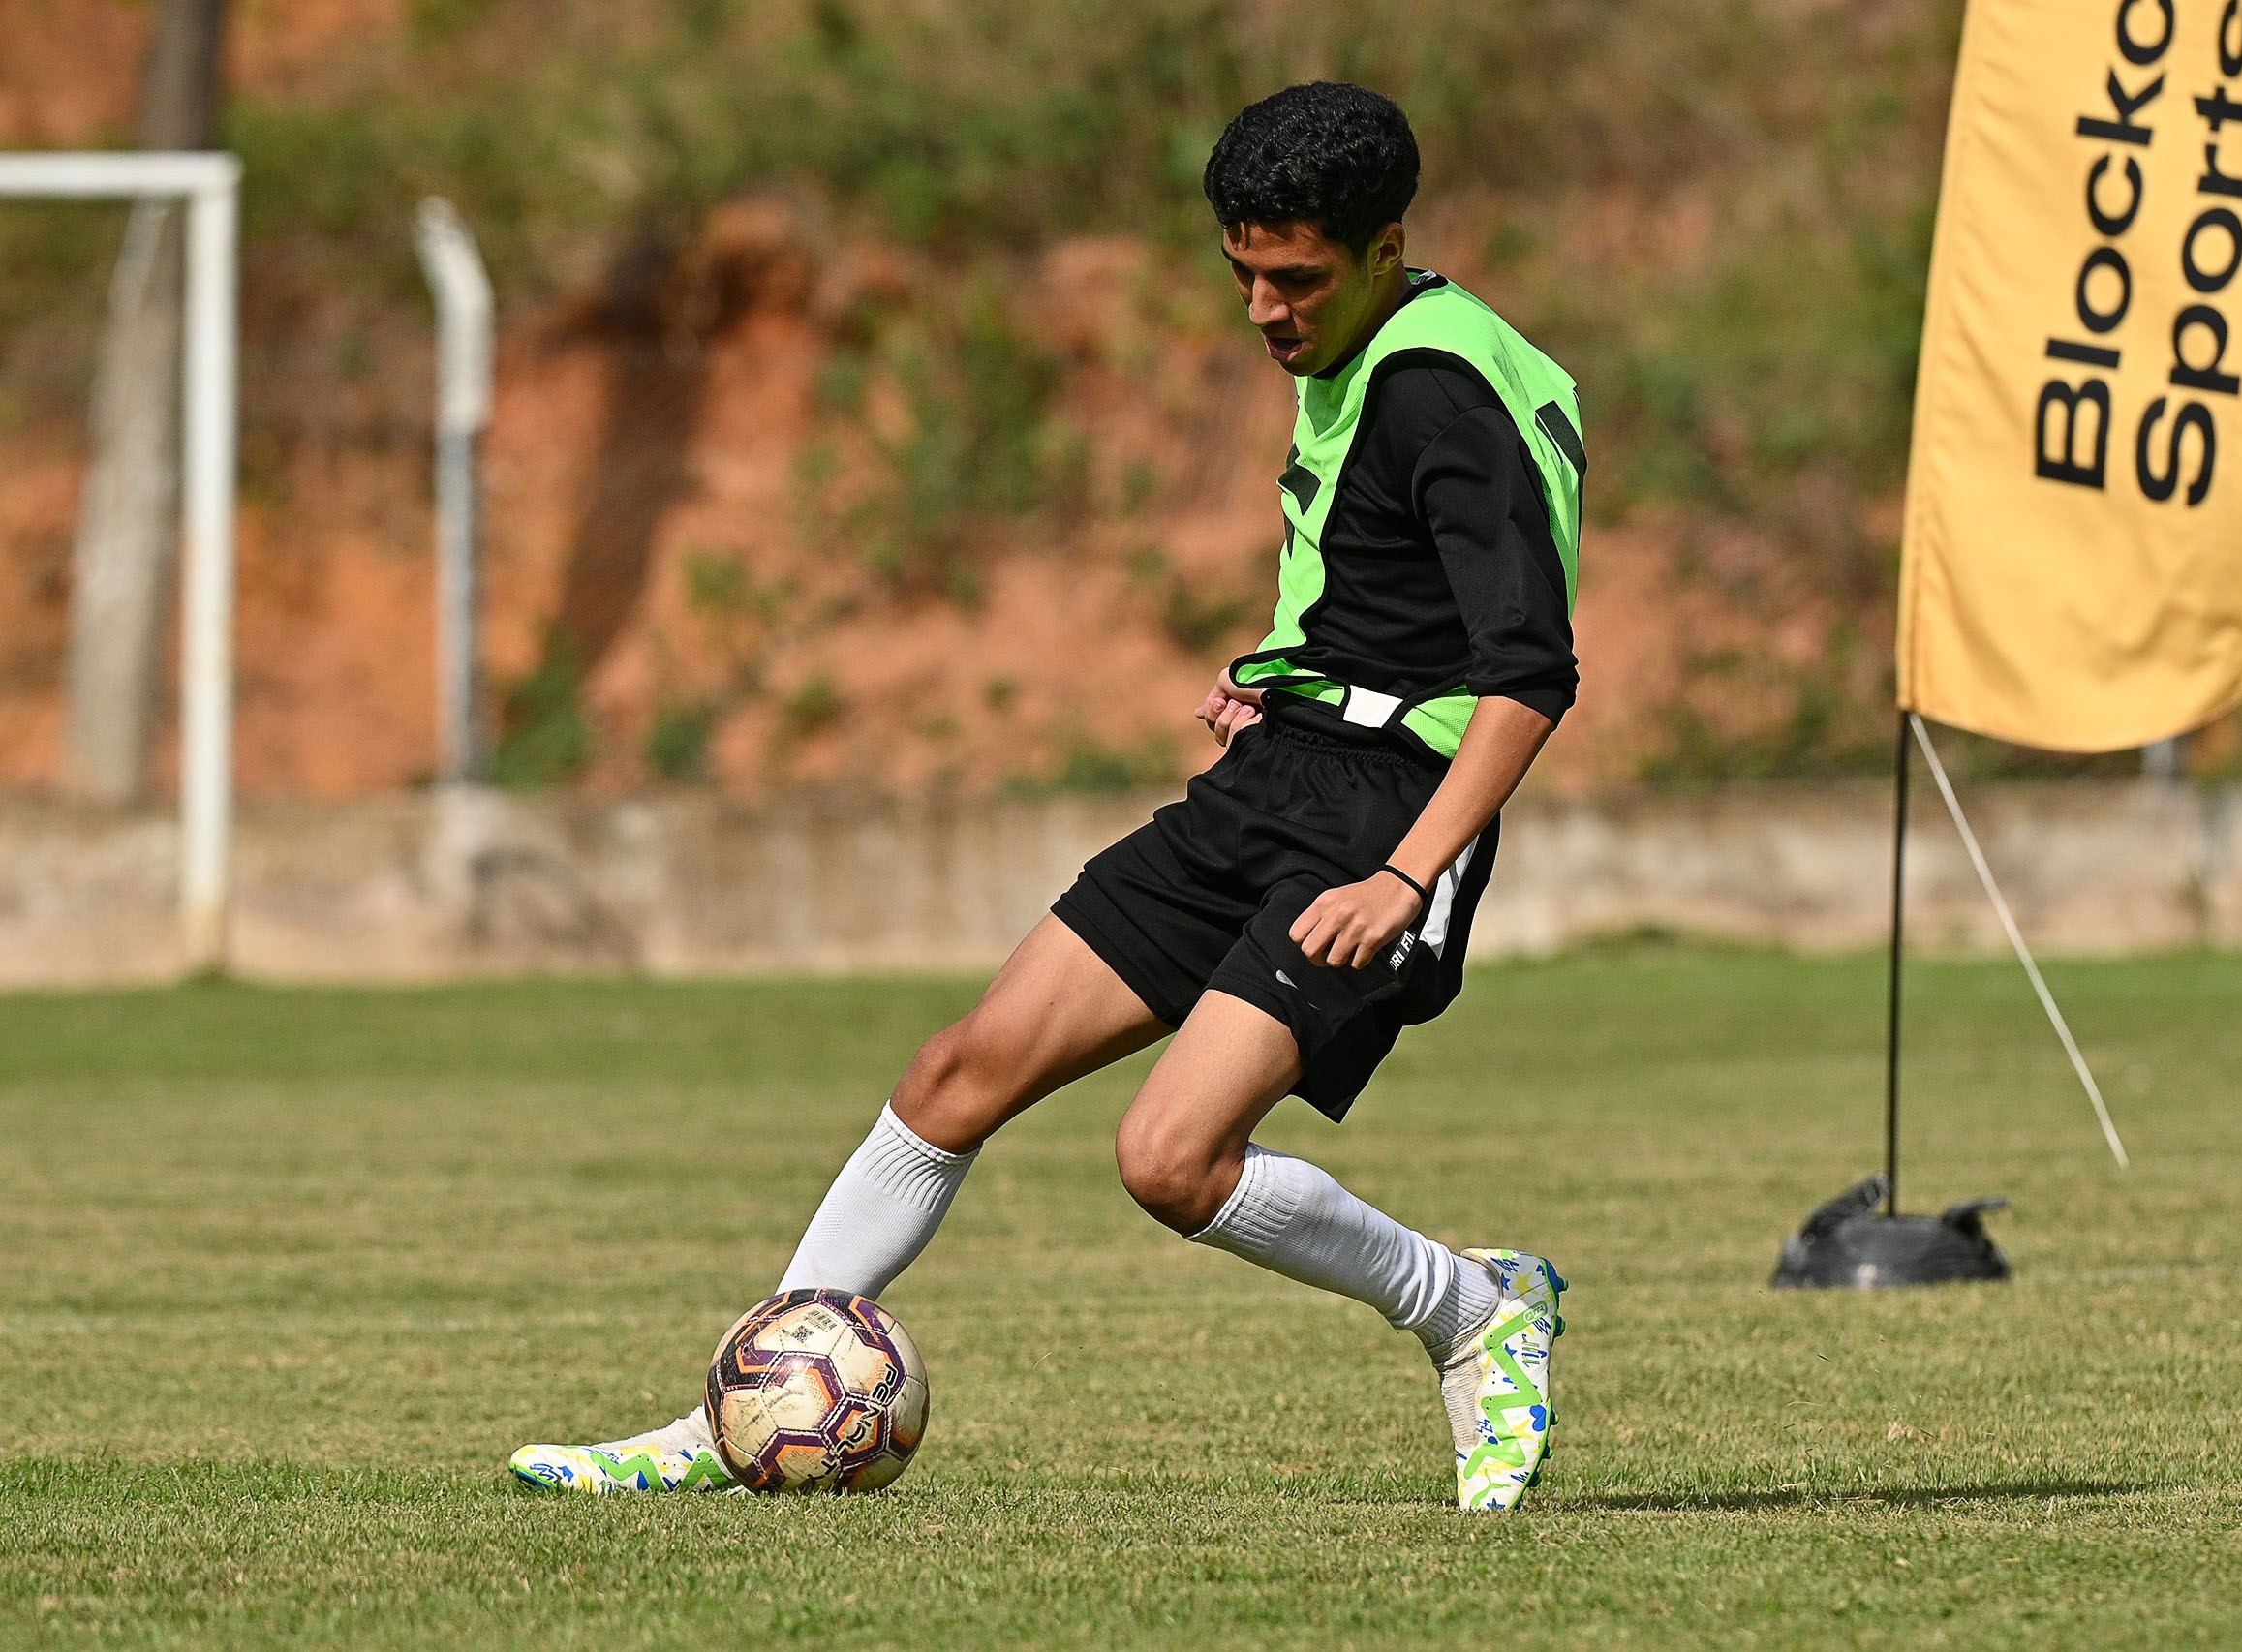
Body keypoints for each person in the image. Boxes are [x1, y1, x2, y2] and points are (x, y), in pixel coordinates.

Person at [509, 79, 1583, 1513]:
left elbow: (1528, 674)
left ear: (1388, 247)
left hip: (1391, 818)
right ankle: (746, 1407)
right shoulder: (1361, 347)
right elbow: (1390, 588)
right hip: (1284, 771)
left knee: (1170, 1155)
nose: (1265, 308)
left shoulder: (1439, 382)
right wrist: (1290, 672)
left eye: (1297, 278)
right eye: (1244, 275)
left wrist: (1402, 878)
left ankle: (1471, 1306)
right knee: (958, 1070)